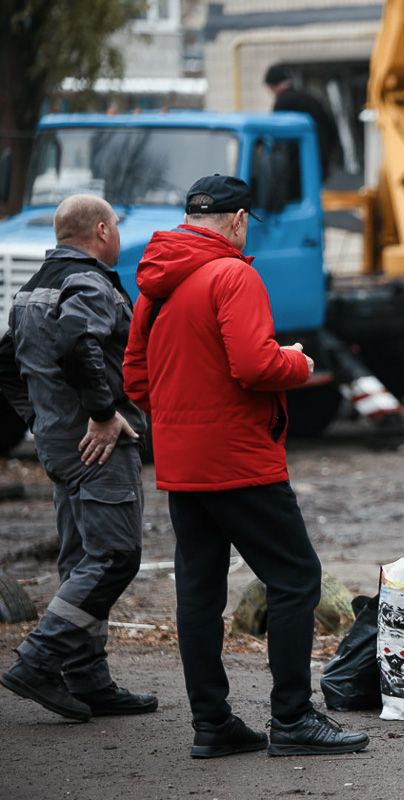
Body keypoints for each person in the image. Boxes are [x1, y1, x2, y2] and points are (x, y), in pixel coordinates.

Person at [122, 175, 368, 758]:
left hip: (182, 464)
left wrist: (183, 420)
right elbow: (256, 365)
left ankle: (212, 724)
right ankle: (292, 719)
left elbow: (134, 376)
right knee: (295, 579)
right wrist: (297, 362)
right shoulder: (233, 274)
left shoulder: (156, 283)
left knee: (200, 592)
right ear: (238, 221)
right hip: (239, 459)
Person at [0, 194, 157, 722]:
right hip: (98, 446)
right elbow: (77, 342)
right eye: (114, 225)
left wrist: (38, 417)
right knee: (114, 557)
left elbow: (4, 364)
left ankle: (88, 680)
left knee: (81, 559)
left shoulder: (29, 291)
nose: (116, 235)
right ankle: (39, 660)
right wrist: (102, 412)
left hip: (59, 447)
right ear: (99, 230)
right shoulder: (88, 281)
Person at [264, 65, 338, 181]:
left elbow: (277, 139)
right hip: (319, 162)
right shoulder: (309, 98)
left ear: (273, 86)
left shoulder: (283, 102)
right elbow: (331, 128)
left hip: (299, 168)